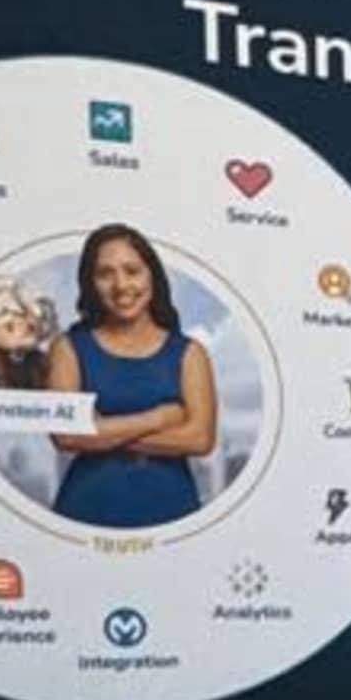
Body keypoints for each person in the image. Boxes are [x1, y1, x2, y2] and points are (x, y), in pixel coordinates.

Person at [48, 226, 218, 527]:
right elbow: (66, 435)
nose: (121, 285)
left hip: (172, 514)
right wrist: (160, 417)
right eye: (105, 274)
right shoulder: (68, 348)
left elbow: (199, 439)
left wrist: (101, 430)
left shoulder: (190, 353)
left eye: (132, 271)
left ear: (152, 275)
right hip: (86, 511)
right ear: (90, 283)